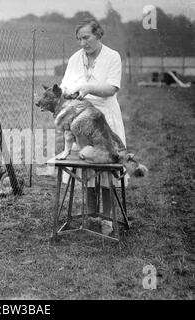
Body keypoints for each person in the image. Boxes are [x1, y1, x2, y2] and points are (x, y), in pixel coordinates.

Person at [59, 18, 126, 219]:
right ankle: (90, 214)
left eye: (86, 37)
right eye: (79, 39)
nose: (83, 43)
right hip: (81, 120)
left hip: (105, 119)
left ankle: (107, 217)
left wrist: (87, 88)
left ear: (98, 34)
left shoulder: (112, 57)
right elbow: (65, 86)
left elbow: (112, 88)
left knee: (105, 168)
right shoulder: (74, 59)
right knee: (85, 166)